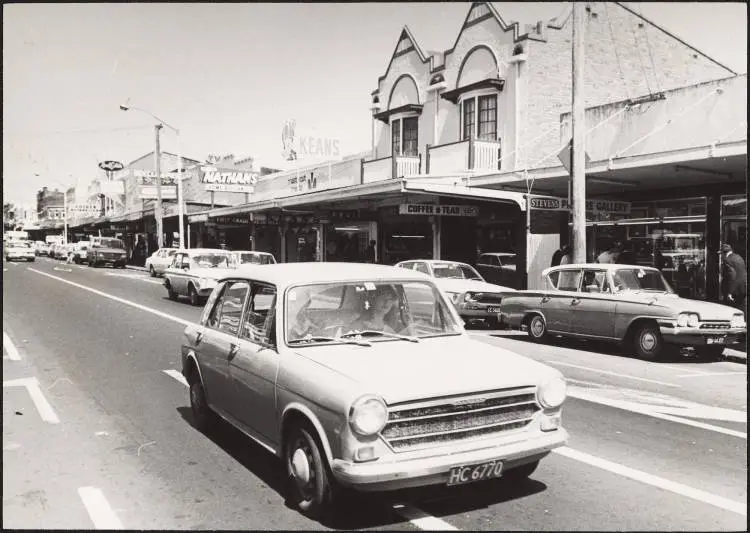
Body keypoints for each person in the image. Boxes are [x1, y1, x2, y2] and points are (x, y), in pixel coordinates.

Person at [720, 244, 747, 316]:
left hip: (733, 290)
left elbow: (732, 275)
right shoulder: (739, 257)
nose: (721, 256)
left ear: (724, 253)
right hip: (742, 288)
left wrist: (730, 292)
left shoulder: (727, 260)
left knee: (729, 311)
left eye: (721, 254)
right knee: (741, 309)